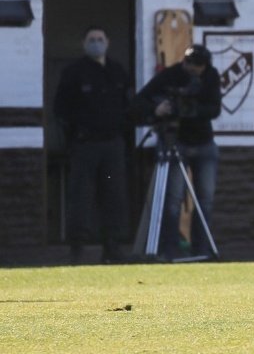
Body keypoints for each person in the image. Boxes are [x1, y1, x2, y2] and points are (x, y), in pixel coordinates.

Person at [133, 45, 222, 260]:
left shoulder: (211, 76)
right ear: (185, 62)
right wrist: (158, 109)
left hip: (203, 142)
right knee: (173, 198)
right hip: (175, 141)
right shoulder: (170, 76)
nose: (194, 69)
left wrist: (192, 110)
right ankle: (169, 248)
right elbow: (140, 100)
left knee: (205, 198)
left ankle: (202, 248)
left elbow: (214, 109)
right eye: (190, 64)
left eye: (199, 66)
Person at [53, 26, 130, 264]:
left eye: (100, 39)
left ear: (108, 42)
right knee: (81, 197)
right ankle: (77, 249)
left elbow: (128, 107)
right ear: (83, 43)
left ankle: (112, 248)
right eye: (91, 39)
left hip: (112, 146)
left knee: (113, 196)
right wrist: (72, 138)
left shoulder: (117, 71)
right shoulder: (73, 72)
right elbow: (60, 110)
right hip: (85, 146)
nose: (96, 43)